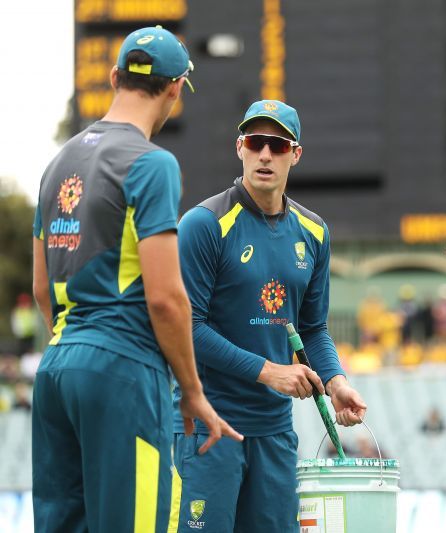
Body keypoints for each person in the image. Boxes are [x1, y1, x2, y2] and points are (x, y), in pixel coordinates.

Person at [30, 26, 241, 532]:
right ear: (175, 89)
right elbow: (166, 298)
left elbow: (42, 288)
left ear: (113, 78)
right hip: (121, 370)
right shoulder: (151, 163)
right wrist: (191, 389)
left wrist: (77, 343)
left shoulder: (57, 164)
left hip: (56, 369)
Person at [172, 99, 368, 532]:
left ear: (295, 155)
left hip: (275, 432)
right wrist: (269, 372)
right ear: (239, 147)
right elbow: (188, 328)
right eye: (256, 142)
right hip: (209, 425)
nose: (265, 154)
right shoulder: (204, 224)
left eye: (277, 145)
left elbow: (312, 328)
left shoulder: (314, 232)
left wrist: (335, 381)